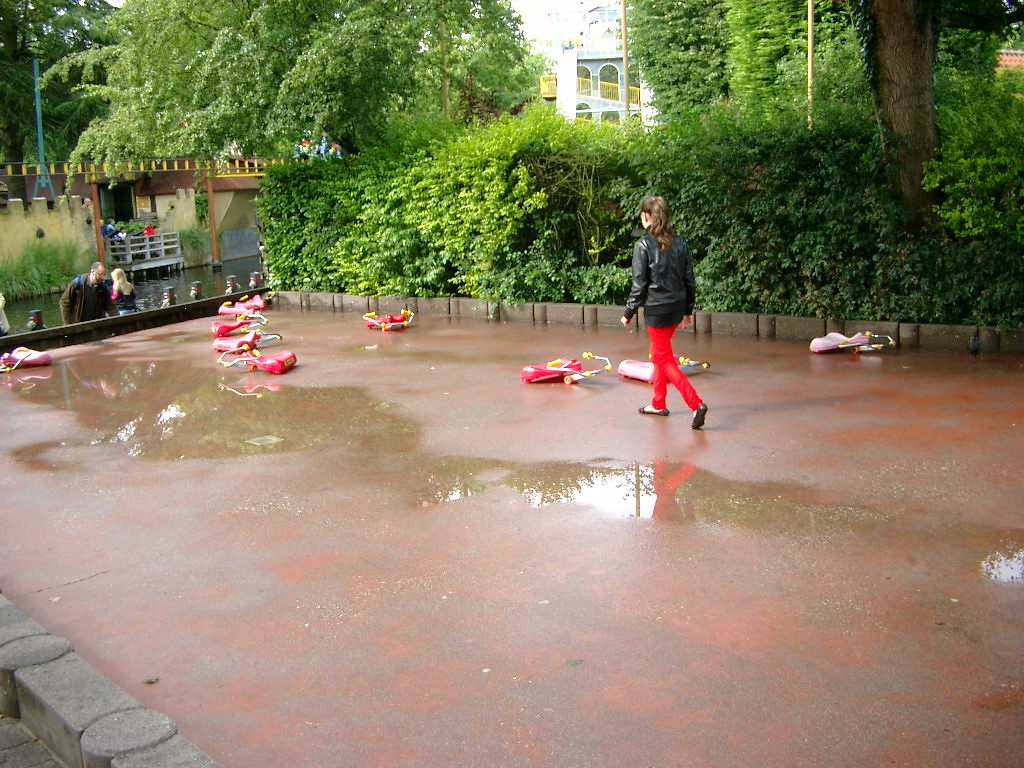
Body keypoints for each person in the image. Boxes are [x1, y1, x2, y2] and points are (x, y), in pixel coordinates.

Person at [621, 195, 708, 429]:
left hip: (657, 312)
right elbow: (689, 280)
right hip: (676, 308)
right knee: (659, 354)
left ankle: (696, 404)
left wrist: (628, 312)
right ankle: (658, 403)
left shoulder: (643, 246)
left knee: (665, 359)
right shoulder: (680, 243)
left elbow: (639, 285)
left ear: (645, 216)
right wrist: (687, 310)